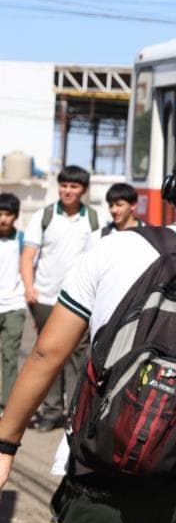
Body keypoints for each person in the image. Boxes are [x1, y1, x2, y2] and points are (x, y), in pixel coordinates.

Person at [0, 143, 176, 523]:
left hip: (102, 483)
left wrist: (7, 443)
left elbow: (48, 352)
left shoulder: (114, 248)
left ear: (171, 193)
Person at [19, 164, 99, 431]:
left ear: (83, 190)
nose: (68, 191)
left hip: (79, 299)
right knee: (48, 355)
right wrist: (30, 288)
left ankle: (73, 413)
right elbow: (28, 256)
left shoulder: (93, 220)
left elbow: (95, 262)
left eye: (74, 186)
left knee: (78, 357)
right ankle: (51, 411)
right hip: (45, 297)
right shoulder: (44, 216)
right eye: (64, 185)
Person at [0, 194, 25, 414]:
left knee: (9, 356)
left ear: (15, 216)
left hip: (14, 306)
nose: (3, 219)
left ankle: (6, 405)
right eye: (0, 214)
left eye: (7, 214)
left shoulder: (23, 240)